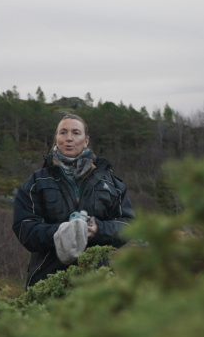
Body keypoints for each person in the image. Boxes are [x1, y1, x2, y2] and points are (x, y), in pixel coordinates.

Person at [13, 114, 135, 289]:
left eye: (75, 133)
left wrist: (98, 229)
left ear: (86, 141)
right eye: (63, 132)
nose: (69, 138)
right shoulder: (36, 182)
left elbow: (128, 225)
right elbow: (24, 228)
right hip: (46, 282)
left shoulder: (110, 184)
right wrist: (61, 232)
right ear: (56, 139)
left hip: (97, 284)